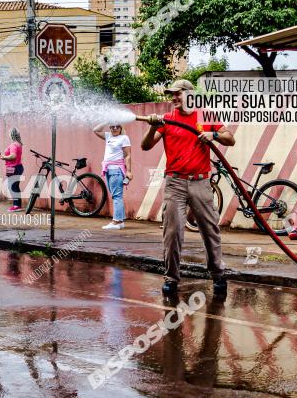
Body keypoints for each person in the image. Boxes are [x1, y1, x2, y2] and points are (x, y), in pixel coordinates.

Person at [140, 79, 235, 296]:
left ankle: (218, 275)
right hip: (175, 183)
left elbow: (231, 139)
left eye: (177, 93)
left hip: (201, 181)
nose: (173, 98)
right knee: (172, 232)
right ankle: (171, 278)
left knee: (210, 230)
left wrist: (214, 135)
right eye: (171, 94)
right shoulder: (167, 119)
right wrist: (154, 125)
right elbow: (145, 146)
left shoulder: (206, 115)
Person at [93, 122, 133, 230]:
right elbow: (95, 130)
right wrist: (107, 121)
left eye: (117, 126)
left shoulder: (124, 138)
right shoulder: (108, 136)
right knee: (116, 196)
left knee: (116, 196)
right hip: (108, 170)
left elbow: (128, 155)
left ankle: (116, 222)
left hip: (116, 170)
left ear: (121, 128)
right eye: (112, 126)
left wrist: (129, 171)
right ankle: (120, 221)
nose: (115, 128)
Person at [0, 128, 24, 212]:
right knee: (15, 186)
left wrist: (4, 157)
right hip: (18, 166)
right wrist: (3, 155)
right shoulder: (18, 144)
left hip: (13, 167)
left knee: (12, 186)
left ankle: (16, 206)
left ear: (11, 135)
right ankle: (17, 205)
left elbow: (13, 156)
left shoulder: (13, 145)